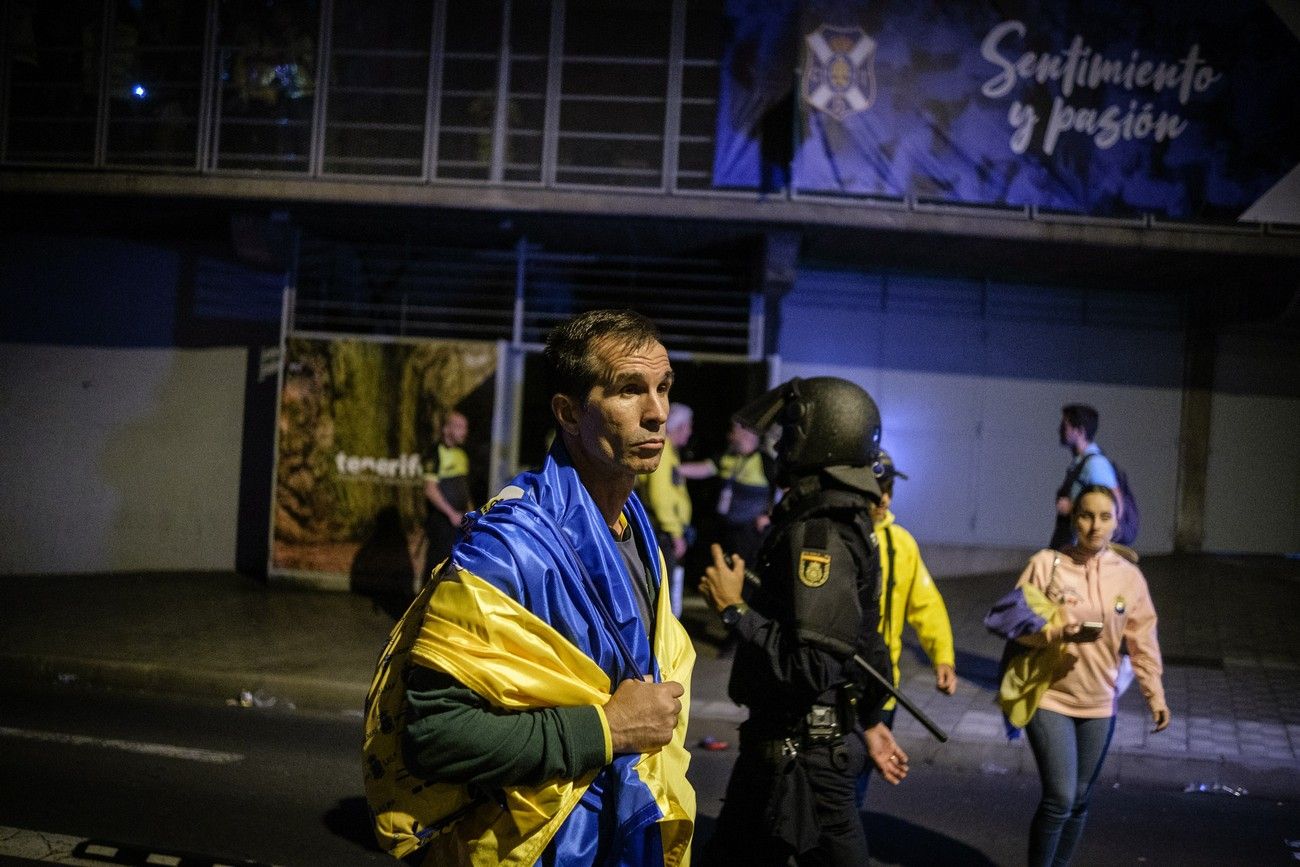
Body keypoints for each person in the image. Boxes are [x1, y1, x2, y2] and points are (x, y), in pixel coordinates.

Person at [363, 309, 695, 866]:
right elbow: (434, 735)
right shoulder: (507, 549)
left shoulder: (637, 532)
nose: (657, 413)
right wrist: (607, 728)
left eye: (662, 388)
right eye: (629, 391)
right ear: (568, 412)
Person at [697, 376, 909, 866]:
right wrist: (871, 719)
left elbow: (810, 664)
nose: (782, 441)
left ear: (824, 437)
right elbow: (860, 643)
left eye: (792, 428)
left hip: (798, 760)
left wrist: (735, 611)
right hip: (795, 750)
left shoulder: (821, 534)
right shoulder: (835, 519)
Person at [1014, 484, 1170, 867]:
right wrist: (1054, 631)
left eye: (1105, 517)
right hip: (1049, 696)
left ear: (1117, 523)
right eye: (1086, 515)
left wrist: (1156, 695)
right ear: (1073, 519)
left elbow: (1143, 641)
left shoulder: (1130, 578)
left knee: (1081, 798)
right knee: (1062, 797)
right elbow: (1014, 623)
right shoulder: (1046, 564)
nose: (1095, 526)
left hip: (1100, 701)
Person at [862, 450, 956, 784]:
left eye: (889, 487)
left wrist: (942, 657)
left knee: (858, 785)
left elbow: (926, 604)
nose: (884, 497)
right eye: (877, 487)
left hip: (884, 686)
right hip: (844, 688)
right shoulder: (841, 538)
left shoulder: (901, 543)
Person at [636, 402, 696, 617]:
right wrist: (675, 532)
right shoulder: (661, 452)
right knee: (663, 590)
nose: (689, 433)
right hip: (662, 532)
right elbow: (660, 497)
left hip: (664, 530)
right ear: (678, 427)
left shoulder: (668, 451)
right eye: (688, 427)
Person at [1051, 404, 1120, 551]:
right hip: (1073, 546)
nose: (1060, 430)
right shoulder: (1081, 462)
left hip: (1083, 550)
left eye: (1065, 426)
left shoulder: (1096, 464)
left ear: (1080, 431)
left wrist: (1072, 509)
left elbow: (1115, 504)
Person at [421, 409, 473, 585]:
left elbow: (463, 489)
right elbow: (430, 489)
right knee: (436, 565)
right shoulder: (435, 452)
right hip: (442, 522)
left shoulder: (462, 455)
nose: (464, 432)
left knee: (456, 566)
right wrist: (451, 514)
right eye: (459, 427)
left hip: (459, 521)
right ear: (446, 429)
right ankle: (424, 606)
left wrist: (470, 514)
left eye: (465, 427)